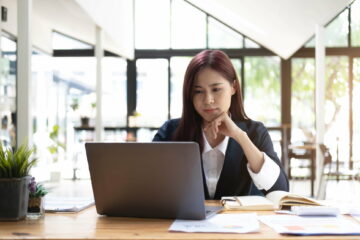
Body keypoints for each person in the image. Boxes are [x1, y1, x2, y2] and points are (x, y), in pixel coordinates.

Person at [153, 50, 289, 200]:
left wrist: (240, 136)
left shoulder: (254, 132)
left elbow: (279, 189)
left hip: (240, 222)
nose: (208, 100)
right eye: (198, 91)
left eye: (216, 89)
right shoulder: (171, 131)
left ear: (233, 87)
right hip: (183, 222)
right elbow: (146, 182)